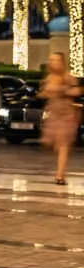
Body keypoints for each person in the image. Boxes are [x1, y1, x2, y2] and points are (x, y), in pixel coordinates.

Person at [39, 52, 81, 185]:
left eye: (57, 60)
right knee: (51, 143)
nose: (55, 63)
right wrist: (44, 94)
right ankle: (60, 171)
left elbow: (77, 91)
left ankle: (60, 174)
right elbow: (44, 93)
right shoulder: (49, 78)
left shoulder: (68, 77)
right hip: (53, 113)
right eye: (52, 60)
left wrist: (63, 90)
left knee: (63, 143)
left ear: (62, 62)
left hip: (66, 114)